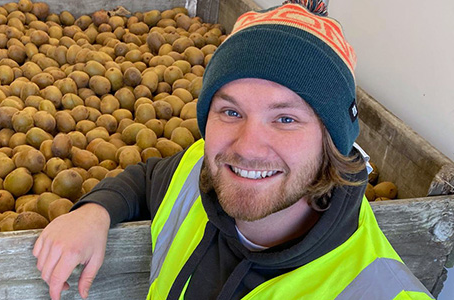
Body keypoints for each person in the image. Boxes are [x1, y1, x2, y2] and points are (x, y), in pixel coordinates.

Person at [33, 1, 434, 299]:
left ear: (331, 139)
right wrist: (94, 212)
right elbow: (150, 177)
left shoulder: (375, 290)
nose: (247, 146)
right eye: (230, 111)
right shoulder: (199, 169)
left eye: (285, 119)